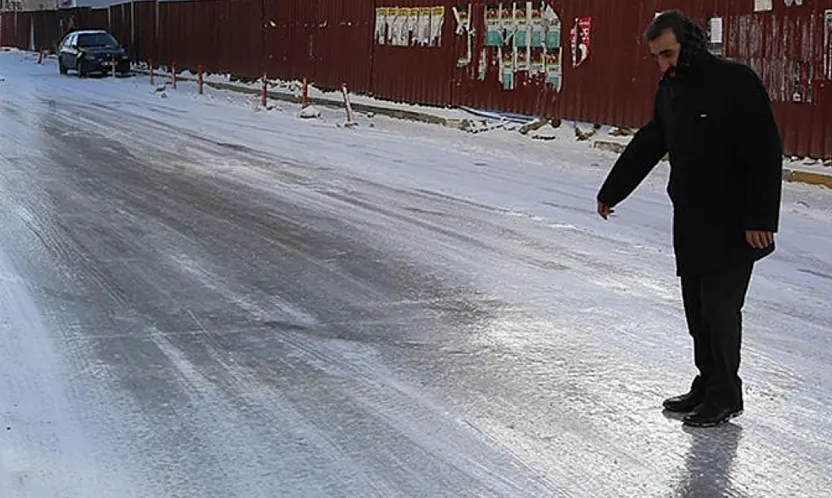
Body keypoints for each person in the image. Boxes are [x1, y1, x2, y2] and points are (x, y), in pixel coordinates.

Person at [595, 10, 783, 427]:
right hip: (692, 220)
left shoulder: (736, 82)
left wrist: (760, 218)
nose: (663, 65)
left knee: (719, 309)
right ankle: (708, 382)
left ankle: (725, 395)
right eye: (657, 58)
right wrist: (612, 191)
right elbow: (650, 142)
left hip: (736, 223)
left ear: (690, 43)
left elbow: (765, 151)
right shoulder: (671, 90)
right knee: (697, 311)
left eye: (668, 54)